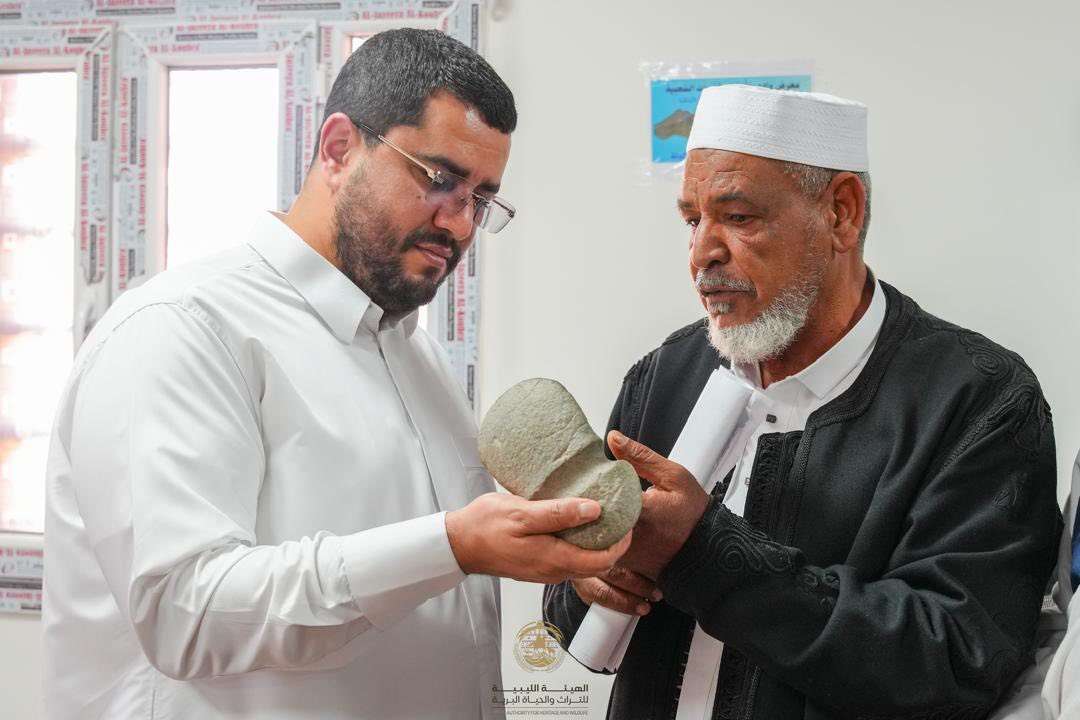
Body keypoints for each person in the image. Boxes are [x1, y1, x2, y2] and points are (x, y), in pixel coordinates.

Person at [43, 29, 628, 719]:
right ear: (340, 148)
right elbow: (186, 614)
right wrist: (451, 546)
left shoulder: (416, 355)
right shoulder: (181, 330)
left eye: (481, 199)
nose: (461, 224)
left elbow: (442, 599)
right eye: (439, 180)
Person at [543, 85, 1062, 719]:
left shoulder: (979, 401)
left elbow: (956, 664)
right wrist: (587, 579)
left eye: (738, 217)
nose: (702, 253)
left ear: (841, 212)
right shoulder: (663, 375)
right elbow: (565, 614)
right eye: (692, 220)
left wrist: (701, 553)